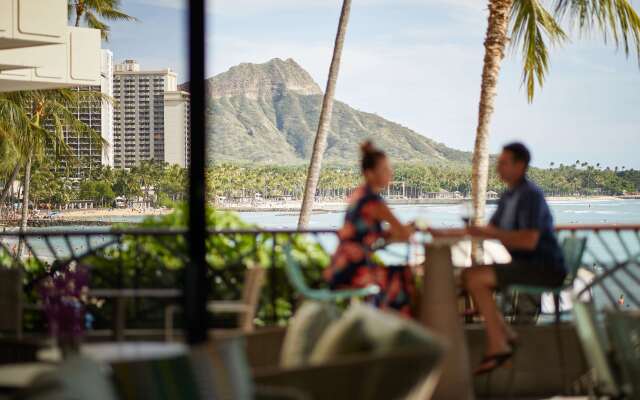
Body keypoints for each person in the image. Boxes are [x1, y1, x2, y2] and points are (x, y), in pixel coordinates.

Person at [431, 142, 566, 375]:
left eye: (503, 163)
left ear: (520, 165)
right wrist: (444, 233)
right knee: (469, 276)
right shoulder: (510, 196)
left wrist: (495, 234)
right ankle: (504, 334)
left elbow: (528, 241)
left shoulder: (530, 195)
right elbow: (485, 231)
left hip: (544, 267)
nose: (498, 168)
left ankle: (499, 341)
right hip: (526, 264)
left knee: (473, 277)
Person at [324, 141, 417, 317]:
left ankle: (380, 323)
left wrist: (391, 233)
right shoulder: (374, 202)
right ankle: (395, 329)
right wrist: (412, 228)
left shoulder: (359, 194)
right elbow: (403, 234)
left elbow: (366, 233)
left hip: (339, 266)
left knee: (396, 274)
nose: (390, 173)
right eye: (385, 170)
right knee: (402, 275)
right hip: (354, 269)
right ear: (369, 173)